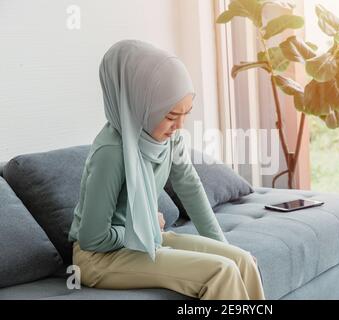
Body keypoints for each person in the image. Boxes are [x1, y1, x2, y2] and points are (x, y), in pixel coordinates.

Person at [67, 40, 265, 300]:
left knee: (240, 261)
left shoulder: (169, 138)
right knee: (222, 271)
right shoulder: (111, 153)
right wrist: (145, 226)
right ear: (140, 104)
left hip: (145, 238)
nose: (179, 126)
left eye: (186, 114)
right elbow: (93, 238)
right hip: (99, 258)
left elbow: (190, 188)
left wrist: (221, 246)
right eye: (171, 116)